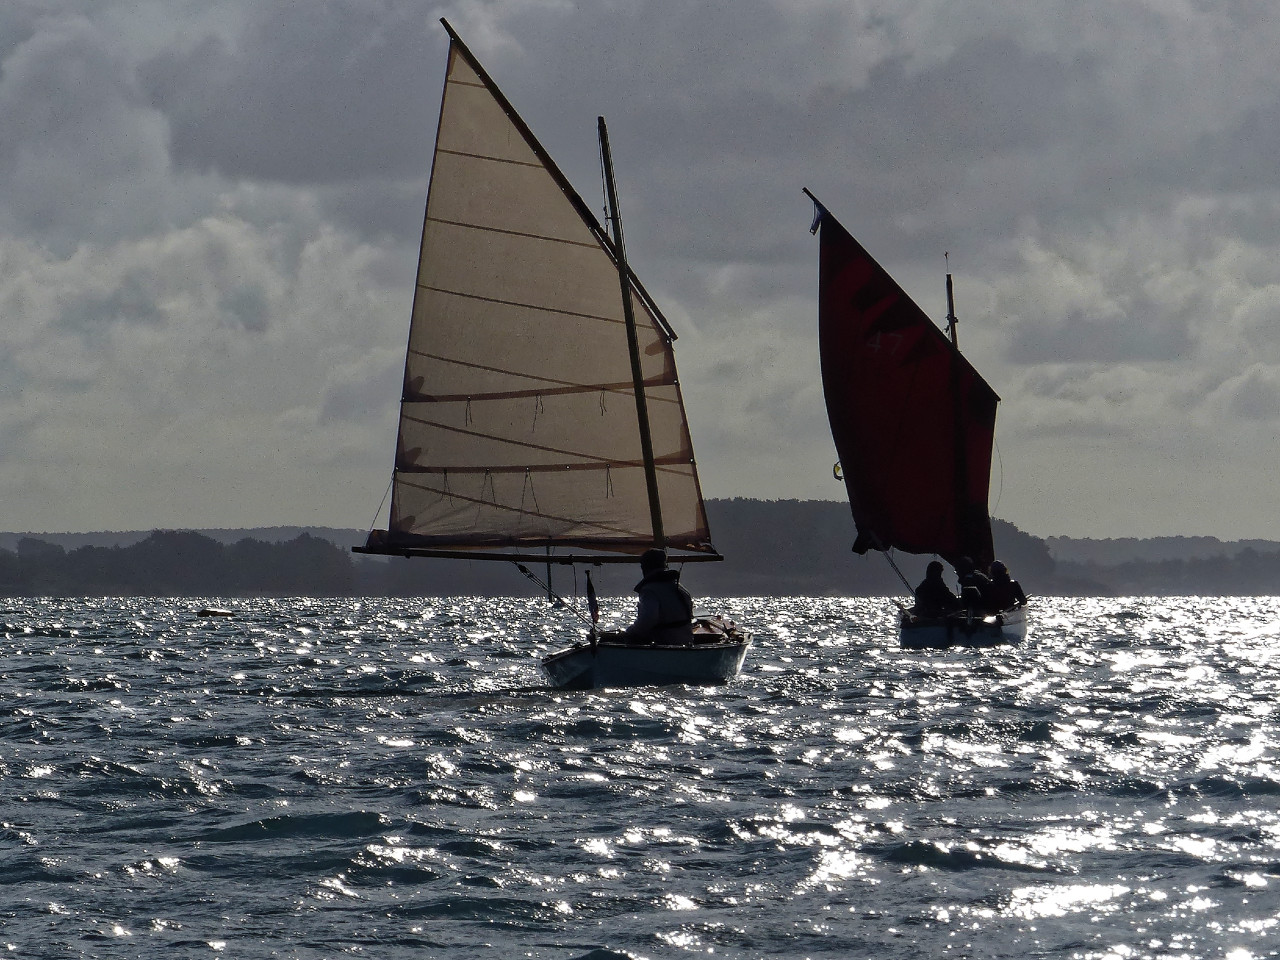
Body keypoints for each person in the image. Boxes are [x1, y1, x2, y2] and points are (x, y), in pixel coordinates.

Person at [620, 547, 695, 645]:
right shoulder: (681, 589)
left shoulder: (649, 591)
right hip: (687, 641)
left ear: (645, 567)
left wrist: (629, 632)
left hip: (664, 644)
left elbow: (647, 620)